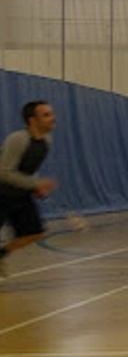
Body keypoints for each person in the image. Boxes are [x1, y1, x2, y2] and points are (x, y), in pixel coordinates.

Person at [0, 101, 58, 278]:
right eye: (46, 115)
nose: (53, 118)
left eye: (51, 113)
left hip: (20, 196)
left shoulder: (47, 141)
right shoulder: (17, 139)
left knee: (34, 233)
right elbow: (4, 173)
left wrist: (35, 187)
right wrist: (35, 184)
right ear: (32, 121)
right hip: (1, 194)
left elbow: (29, 170)